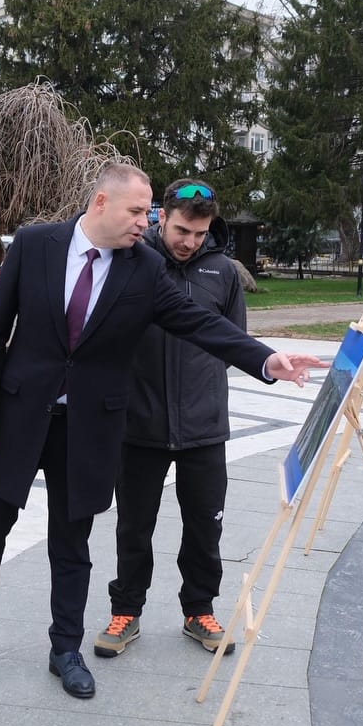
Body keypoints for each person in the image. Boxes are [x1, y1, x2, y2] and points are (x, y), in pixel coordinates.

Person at [0, 162, 325, 699]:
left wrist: (265, 360)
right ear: (101, 203)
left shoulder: (142, 268)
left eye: (148, 212)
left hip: (89, 428)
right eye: (138, 211)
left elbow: (198, 321)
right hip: (18, 417)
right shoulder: (35, 244)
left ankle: (65, 648)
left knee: (71, 543)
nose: (148, 222)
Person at [96, 179, 250, 659]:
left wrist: (196, 388)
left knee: (206, 526)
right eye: (183, 230)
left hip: (204, 428)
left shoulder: (223, 274)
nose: (189, 242)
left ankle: (198, 610)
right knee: (134, 526)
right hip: (138, 426)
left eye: (200, 234)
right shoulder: (130, 264)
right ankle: (126, 611)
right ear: (161, 216)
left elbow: (231, 342)